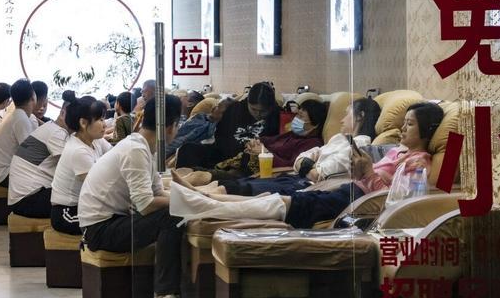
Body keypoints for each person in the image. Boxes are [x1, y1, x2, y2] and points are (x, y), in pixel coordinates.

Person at [170, 102, 444, 230]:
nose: (403, 128)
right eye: (404, 122)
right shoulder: (396, 150)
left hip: (357, 200)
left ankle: (201, 204)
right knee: (273, 197)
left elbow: (402, 202)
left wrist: (369, 174)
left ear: (427, 131)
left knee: (283, 202)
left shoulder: (418, 162)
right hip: (346, 190)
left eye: (409, 124)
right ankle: (200, 199)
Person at [79, 94, 194, 298]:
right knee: (172, 216)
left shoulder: (142, 147)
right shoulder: (135, 150)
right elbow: (146, 204)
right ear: (171, 126)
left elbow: (158, 193)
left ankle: (172, 290)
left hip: (109, 221)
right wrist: (188, 200)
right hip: (100, 229)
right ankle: (164, 296)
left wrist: (190, 196)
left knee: (177, 209)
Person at [175, 82, 280, 168]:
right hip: (224, 154)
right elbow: (219, 137)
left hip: (252, 159)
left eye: (263, 111)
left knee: (248, 160)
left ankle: (209, 177)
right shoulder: (233, 109)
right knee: (187, 149)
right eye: (253, 109)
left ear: (270, 108)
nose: (258, 114)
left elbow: (279, 145)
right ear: (248, 102)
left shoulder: (278, 116)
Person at [214, 98, 328, 176]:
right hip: (247, 165)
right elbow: (270, 140)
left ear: (315, 123)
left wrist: (264, 152)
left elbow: (293, 166)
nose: (295, 119)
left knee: (211, 177)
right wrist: (255, 142)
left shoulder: (312, 144)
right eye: (296, 114)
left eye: (300, 116)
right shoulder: (293, 135)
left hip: (263, 174)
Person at [8, 91, 76, 218]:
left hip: (22, 196)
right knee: (79, 195)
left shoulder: (51, 127)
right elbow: (71, 168)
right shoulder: (57, 134)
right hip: (27, 199)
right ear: (62, 113)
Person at [50, 96, 112, 235]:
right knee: (111, 222)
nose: (105, 124)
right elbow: (98, 188)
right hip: (66, 213)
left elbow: (117, 157)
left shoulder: (95, 140)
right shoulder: (78, 151)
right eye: (100, 120)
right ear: (84, 123)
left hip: (84, 207)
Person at [295, 96, 382, 183]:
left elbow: (319, 175)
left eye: (347, 114)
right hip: (301, 180)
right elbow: (302, 158)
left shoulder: (360, 145)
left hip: (315, 188)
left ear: (360, 116)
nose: (342, 120)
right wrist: (307, 166)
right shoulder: (339, 138)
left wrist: (305, 166)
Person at [0, 78, 38, 187]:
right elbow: (31, 154)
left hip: (0, 171)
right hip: (2, 174)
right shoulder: (20, 118)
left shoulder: (19, 115)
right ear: (33, 97)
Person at [165, 97, 231, 158]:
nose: (214, 108)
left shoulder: (215, 130)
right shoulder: (200, 117)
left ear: (226, 115)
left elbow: (185, 140)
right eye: (216, 106)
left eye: (219, 107)